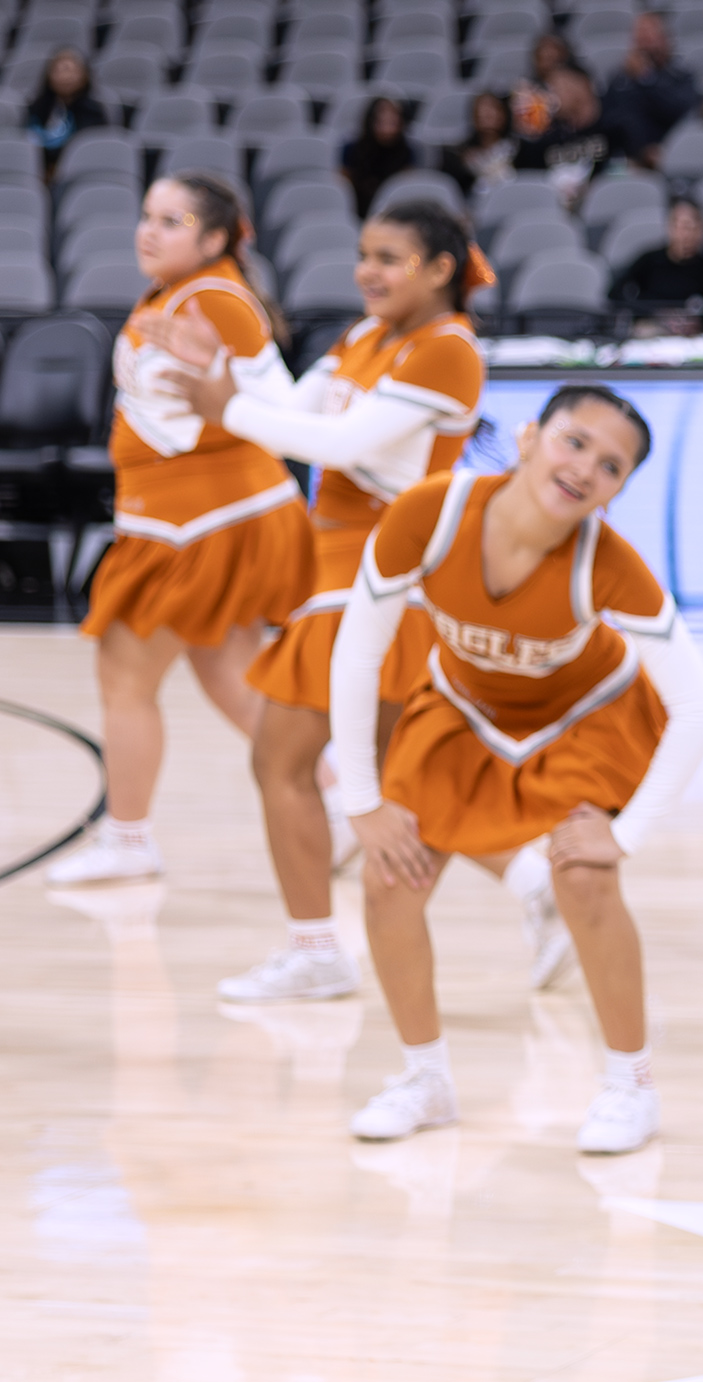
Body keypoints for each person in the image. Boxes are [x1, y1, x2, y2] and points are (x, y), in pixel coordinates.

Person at [151, 203, 527, 1005]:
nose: (367, 271)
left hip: (385, 574)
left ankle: (325, 949)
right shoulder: (365, 336)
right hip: (344, 570)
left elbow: (338, 446)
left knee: (306, 765)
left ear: (440, 270)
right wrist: (226, 358)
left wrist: (227, 409)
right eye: (364, 254)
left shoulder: (448, 349)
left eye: (389, 258)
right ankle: (540, 885)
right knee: (382, 774)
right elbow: (293, 408)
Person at [333, 386, 703, 1156]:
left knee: (585, 877)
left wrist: (627, 835)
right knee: (389, 878)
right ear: (529, 436)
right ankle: (425, 1080)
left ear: (616, 491)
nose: (584, 469)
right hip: (465, 707)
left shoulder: (608, 562)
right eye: (574, 442)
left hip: (582, 715)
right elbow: (358, 650)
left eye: (610, 466)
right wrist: (363, 800)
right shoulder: (429, 513)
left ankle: (631, 1085)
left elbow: (698, 707)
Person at [48, 175, 312, 888]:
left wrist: (219, 375)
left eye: (172, 221)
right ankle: (336, 791)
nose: (149, 231)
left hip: (198, 525)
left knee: (124, 673)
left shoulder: (215, 298)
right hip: (192, 516)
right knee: (229, 672)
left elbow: (282, 406)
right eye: (147, 216)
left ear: (216, 238)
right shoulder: (183, 291)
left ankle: (129, 839)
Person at [601, 11, 703, 172]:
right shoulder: (621, 79)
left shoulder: (680, 76)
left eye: (648, 35)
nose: (643, 42)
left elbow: (682, 111)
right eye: (639, 35)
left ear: (665, 39)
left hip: (671, 153)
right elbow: (609, 116)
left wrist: (646, 78)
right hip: (628, 158)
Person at [613, 195, 703, 331]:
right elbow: (616, 293)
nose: (688, 235)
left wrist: (699, 322)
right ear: (670, 227)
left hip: (693, 334)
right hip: (654, 328)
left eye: (694, 227)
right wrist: (656, 312)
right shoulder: (649, 261)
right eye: (683, 227)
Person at [518, 67, 610, 205]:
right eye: (550, 89)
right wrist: (527, 138)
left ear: (582, 85)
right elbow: (528, 178)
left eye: (559, 87)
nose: (552, 96)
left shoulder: (612, 124)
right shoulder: (548, 135)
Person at [23, 47, 108, 181]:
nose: (65, 77)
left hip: (78, 174)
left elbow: (90, 147)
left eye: (71, 71)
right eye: (59, 71)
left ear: (84, 76)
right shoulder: (38, 108)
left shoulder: (93, 111)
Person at [339, 96, 418, 218]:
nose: (388, 121)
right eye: (382, 117)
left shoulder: (407, 151)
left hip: (393, 211)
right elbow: (345, 188)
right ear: (371, 119)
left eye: (393, 118)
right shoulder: (352, 149)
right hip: (357, 209)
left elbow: (405, 188)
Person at [443, 91, 520, 193]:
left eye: (493, 109)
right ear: (473, 117)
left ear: (504, 114)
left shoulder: (520, 150)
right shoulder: (460, 157)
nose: (487, 114)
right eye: (481, 110)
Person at [513, 31, 579, 139]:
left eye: (553, 57)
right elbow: (525, 129)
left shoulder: (577, 82)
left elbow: (587, 116)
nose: (548, 61)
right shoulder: (525, 89)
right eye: (543, 56)